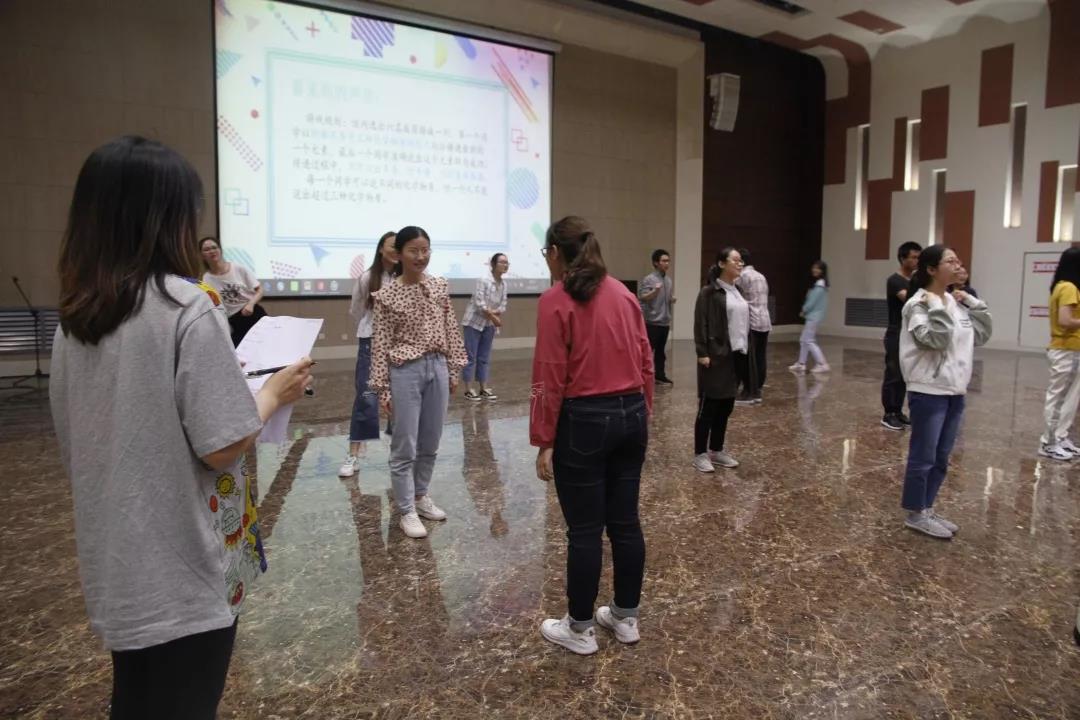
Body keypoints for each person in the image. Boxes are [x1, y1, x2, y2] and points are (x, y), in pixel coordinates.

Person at [49, 136, 313, 719]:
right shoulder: (186, 306)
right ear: (168, 218)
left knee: (137, 698)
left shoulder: (78, 315)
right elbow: (223, 445)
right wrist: (272, 393)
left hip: (117, 559)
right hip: (185, 564)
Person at [531, 215, 653, 655]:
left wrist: (544, 439)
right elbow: (646, 360)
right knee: (625, 523)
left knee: (584, 530)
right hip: (631, 415)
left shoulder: (554, 300)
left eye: (545, 253)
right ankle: (625, 617)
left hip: (583, 422)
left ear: (556, 253)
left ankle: (580, 628)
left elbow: (548, 374)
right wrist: (641, 416)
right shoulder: (624, 293)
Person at [369, 226, 469, 539]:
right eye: (413, 250)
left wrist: (453, 368)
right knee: (405, 444)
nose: (421, 256)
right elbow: (381, 343)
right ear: (399, 254)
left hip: (437, 366)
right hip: (405, 371)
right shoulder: (387, 295)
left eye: (425, 250)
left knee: (431, 440)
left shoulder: (439, 285)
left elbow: (450, 327)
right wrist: (383, 388)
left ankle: (420, 495)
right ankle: (406, 510)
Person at [899, 245, 992, 539]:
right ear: (931, 269)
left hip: (954, 389)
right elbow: (935, 340)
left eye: (957, 259)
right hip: (928, 389)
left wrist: (974, 304)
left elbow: (981, 335)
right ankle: (915, 512)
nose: (958, 264)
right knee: (924, 455)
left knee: (941, 456)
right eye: (950, 261)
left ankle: (927, 507)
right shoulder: (917, 304)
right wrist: (937, 307)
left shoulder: (955, 301)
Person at [339, 231, 398, 478]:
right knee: (366, 396)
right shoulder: (367, 278)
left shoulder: (406, 277)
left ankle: (397, 449)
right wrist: (372, 328)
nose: (396, 251)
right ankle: (353, 454)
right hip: (371, 341)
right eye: (392, 246)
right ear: (381, 248)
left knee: (399, 398)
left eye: (399, 246)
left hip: (400, 345)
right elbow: (356, 310)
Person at [693, 248, 748, 473]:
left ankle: (716, 450)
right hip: (716, 355)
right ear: (722, 263)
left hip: (737, 355)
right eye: (736, 260)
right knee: (709, 406)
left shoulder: (738, 291)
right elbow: (701, 323)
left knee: (726, 406)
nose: (740, 264)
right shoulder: (709, 292)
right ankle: (700, 453)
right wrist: (702, 352)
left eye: (741, 261)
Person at [1038, 247, 1080, 461]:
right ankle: (1048, 442)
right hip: (1066, 350)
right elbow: (1065, 320)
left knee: (1070, 399)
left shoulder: (1065, 286)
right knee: (1060, 399)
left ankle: (1060, 437)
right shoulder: (1068, 287)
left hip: (1072, 350)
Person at [882, 242, 922, 431]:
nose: (916, 261)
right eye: (913, 257)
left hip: (908, 333)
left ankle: (898, 411)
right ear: (902, 258)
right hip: (896, 332)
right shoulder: (895, 280)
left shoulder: (914, 280)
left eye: (918, 257)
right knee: (894, 373)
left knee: (904, 374)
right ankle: (889, 413)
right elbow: (910, 301)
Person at [200, 236, 267, 346]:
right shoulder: (206, 279)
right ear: (202, 255)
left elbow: (260, 290)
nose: (211, 251)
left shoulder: (238, 268)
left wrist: (250, 304)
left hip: (253, 313)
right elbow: (213, 305)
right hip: (234, 321)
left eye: (214, 247)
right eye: (206, 249)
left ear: (220, 250)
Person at [461, 253, 509, 401]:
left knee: (484, 357)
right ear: (493, 264)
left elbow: (503, 305)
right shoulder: (483, 280)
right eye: (502, 262)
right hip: (473, 322)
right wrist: (494, 317)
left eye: (507, 263)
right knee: (470, 356)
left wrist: (492, 315)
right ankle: (468, 389)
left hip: (489, 324)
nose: (505, 265)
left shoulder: (504, 284)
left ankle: (483, 388)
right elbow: (479, 303)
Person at [735, 248, 770, 404]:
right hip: (765, 321)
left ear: (741, 261)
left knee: (749, 360)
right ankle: (758, 388)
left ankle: (749, 391)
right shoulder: (761, 276)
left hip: (751, 321)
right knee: (761, 357)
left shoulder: (742, 276)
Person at [638, 249, 676, 385]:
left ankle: (660, 375)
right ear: (656, 263)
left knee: (661, 352)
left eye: (668, 261)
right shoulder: (649, 279)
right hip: (652, 322)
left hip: (664, 322)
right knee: (648, 351)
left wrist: (671, 299)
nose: (667, 263)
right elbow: (642, 297)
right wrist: (655, 291)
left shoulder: (668, 280)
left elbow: (665, 297)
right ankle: (641, 376)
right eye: (664, 261)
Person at [788, 260, 831, 374]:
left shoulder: (819, 286)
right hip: (814, 316)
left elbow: (812, 302)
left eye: (817, 268)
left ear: (822, 271)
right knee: (804, 340)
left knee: (809, 340)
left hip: (813, 317)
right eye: (814, 267)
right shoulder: (819, 285)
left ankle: (822, 364)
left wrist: (804, 310)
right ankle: (801, 363)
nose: (814, 270)